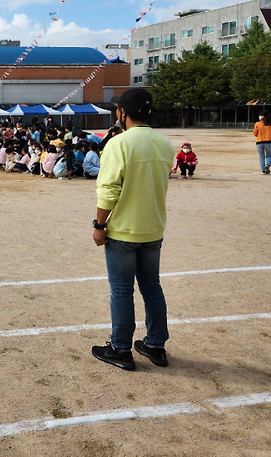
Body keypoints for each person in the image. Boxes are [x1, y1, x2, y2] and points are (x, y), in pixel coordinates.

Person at [92, 88, 174, 371]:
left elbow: (109, 190)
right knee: (152, 287)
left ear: (123, 113)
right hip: (153, 228)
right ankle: (155, 344)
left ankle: (120, 348)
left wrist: (99, 224)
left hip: (123, 230)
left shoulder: (119, 144)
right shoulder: (164, 143)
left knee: (122, 291)